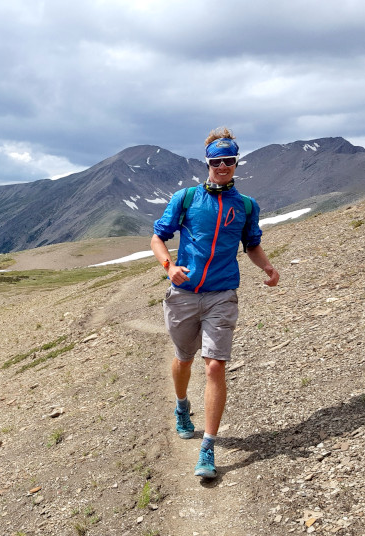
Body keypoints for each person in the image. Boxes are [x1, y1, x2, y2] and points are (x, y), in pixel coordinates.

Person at [150, 127, 279, 479]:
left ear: (237, 163)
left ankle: (207, 447)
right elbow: (158, 237)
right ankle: (181, 406)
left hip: (223, 294)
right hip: (184, 294)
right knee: (183, 358)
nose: (223, 166)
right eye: (217, 160)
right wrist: (169, 266)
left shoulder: (246, 206)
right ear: (207, 162)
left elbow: (251, 244)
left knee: (215, 366)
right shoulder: (187, 198)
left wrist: (266, 265)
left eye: (229, 160)